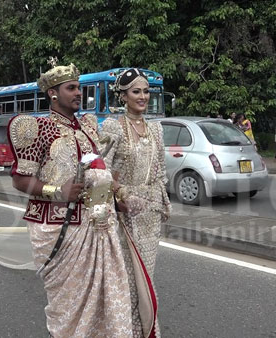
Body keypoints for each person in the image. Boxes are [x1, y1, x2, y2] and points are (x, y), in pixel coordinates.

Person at [8, 63, 134, 337]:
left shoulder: (88, 127)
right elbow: (19, 180)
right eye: (71, 88)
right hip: (59, 229)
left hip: (99, 223)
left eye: (79, 87)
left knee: (109, 297)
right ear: (53, 93)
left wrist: (115, 197)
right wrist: (57, 191)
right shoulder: (38, 129)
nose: (79, 93)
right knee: (68, 306)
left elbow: (97, 169)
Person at [101, 68, 171, 338]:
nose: (143, 97)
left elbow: (161, 172)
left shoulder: (156, 128)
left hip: (150, 216)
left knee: (147, 276)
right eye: (136, 92)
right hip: (124, 216)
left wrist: (160, 201)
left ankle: (147, 330)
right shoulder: (112, 127)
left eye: (145, 91)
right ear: (123, 96)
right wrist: (122, 196)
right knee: (128, 279)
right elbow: (101, 170)